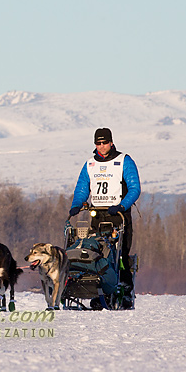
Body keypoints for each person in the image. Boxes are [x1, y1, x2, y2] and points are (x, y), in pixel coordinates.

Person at [69, 128, 140, 305]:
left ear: (111, 142)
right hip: (97, 215)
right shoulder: (90, 165)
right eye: (98, 143)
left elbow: (135, 188)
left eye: (104, 143)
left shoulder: (124, 161)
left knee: (120, 254)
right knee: (96, 252)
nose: (101, 146)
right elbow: (82, 188)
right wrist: (76, 205)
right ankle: (98, 290)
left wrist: (122, 205)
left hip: (118, 215)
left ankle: (124, 290)